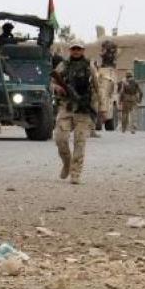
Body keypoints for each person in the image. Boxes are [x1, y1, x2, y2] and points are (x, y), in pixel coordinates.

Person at [51, 43, 95, 184]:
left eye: (79, 49)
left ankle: (75, 173)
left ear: (83, 50)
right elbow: (51, 83)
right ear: (70, 50)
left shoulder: (90, 66)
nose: (76, 51)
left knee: (79, 142)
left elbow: (97, 86)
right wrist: (57, 88)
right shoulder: (63, 66)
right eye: (74, 49)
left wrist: (101, 108)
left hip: (83, 109)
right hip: (66, 107)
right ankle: (67, 163)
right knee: (60, 139)